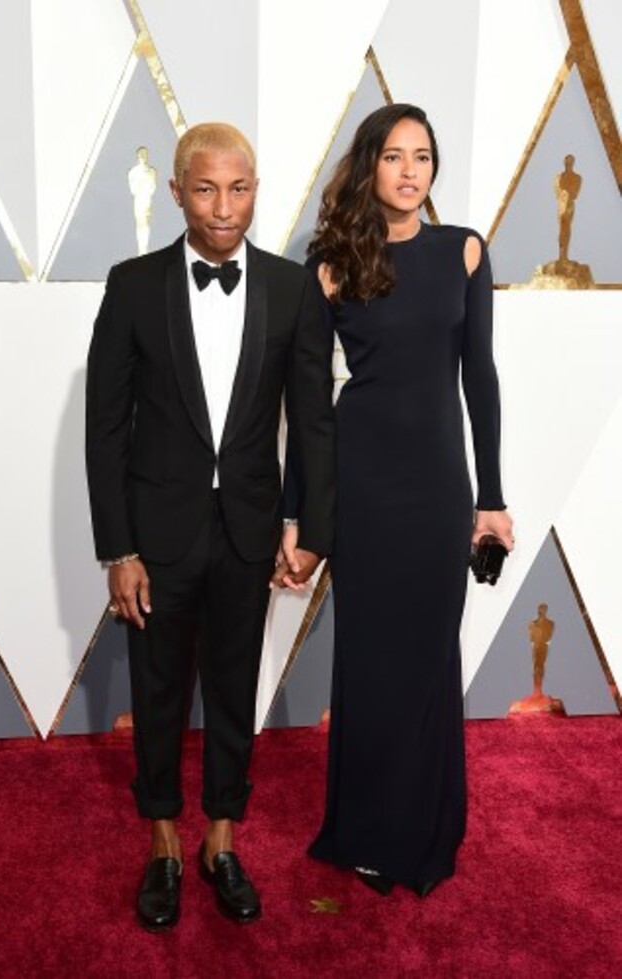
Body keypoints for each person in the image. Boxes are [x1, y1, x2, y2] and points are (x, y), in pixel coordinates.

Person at [85, 123, 335, 930]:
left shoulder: (293, 291)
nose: (225, 207)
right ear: (176, 193)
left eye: (240, 188)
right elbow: (105, 428)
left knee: (233, 693)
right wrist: (117, 547)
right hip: (156, 538)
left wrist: (310, 527)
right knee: (158, 696)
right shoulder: (132, 285)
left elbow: (314, 422)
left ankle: (220, 838)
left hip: (251, 533)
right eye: (206, 188)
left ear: (256, 190)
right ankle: (162, 840)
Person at [281, 104, 514, 898]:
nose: (410, 170)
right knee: (372, 662)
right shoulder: (331, 263)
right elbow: (307, 405)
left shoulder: (465, 250)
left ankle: (426, 825)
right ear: (369, 167)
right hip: (364, 485)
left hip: (440, 486)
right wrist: (298, 515)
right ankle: (368, 831)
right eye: (393, 156)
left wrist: (493, 497)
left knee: (426, 659)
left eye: (422, 156)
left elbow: (478, 378)